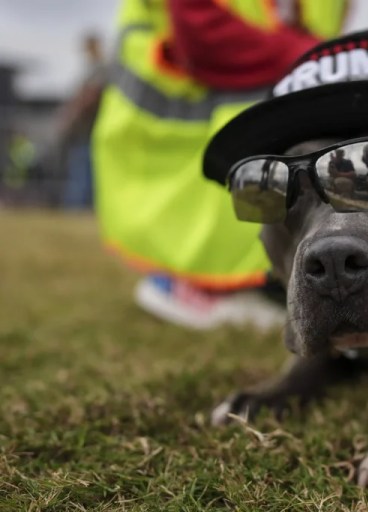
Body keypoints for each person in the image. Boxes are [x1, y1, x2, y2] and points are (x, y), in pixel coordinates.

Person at [92, 0, 350, 330]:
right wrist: (315, 56)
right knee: (226, 209)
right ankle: (204, 289)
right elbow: (203, 29)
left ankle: (264, 283)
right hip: (189, 124)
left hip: (252, 118)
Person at [56, 32, 106, 209]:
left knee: (83, 173)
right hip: (85, 130)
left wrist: (71, 117)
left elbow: (89, 98)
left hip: (90, 129)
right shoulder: (93, 69)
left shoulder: (99, 69)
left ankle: (79, 208)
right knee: (83, 171)